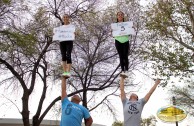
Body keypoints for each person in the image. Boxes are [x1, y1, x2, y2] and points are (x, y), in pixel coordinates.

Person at [113, 11, 130, 77]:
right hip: (118, 41)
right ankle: (122, 70)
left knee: (125, 55)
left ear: (123, 16)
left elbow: (129, 33)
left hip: (125, 40)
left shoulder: (126, 24)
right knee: (121, 55)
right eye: (119, 15)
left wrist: (130, 31)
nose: (120, 16)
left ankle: (127, 70)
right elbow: (113, 34)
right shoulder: (115, 25)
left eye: (121, 15)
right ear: (117, 16)